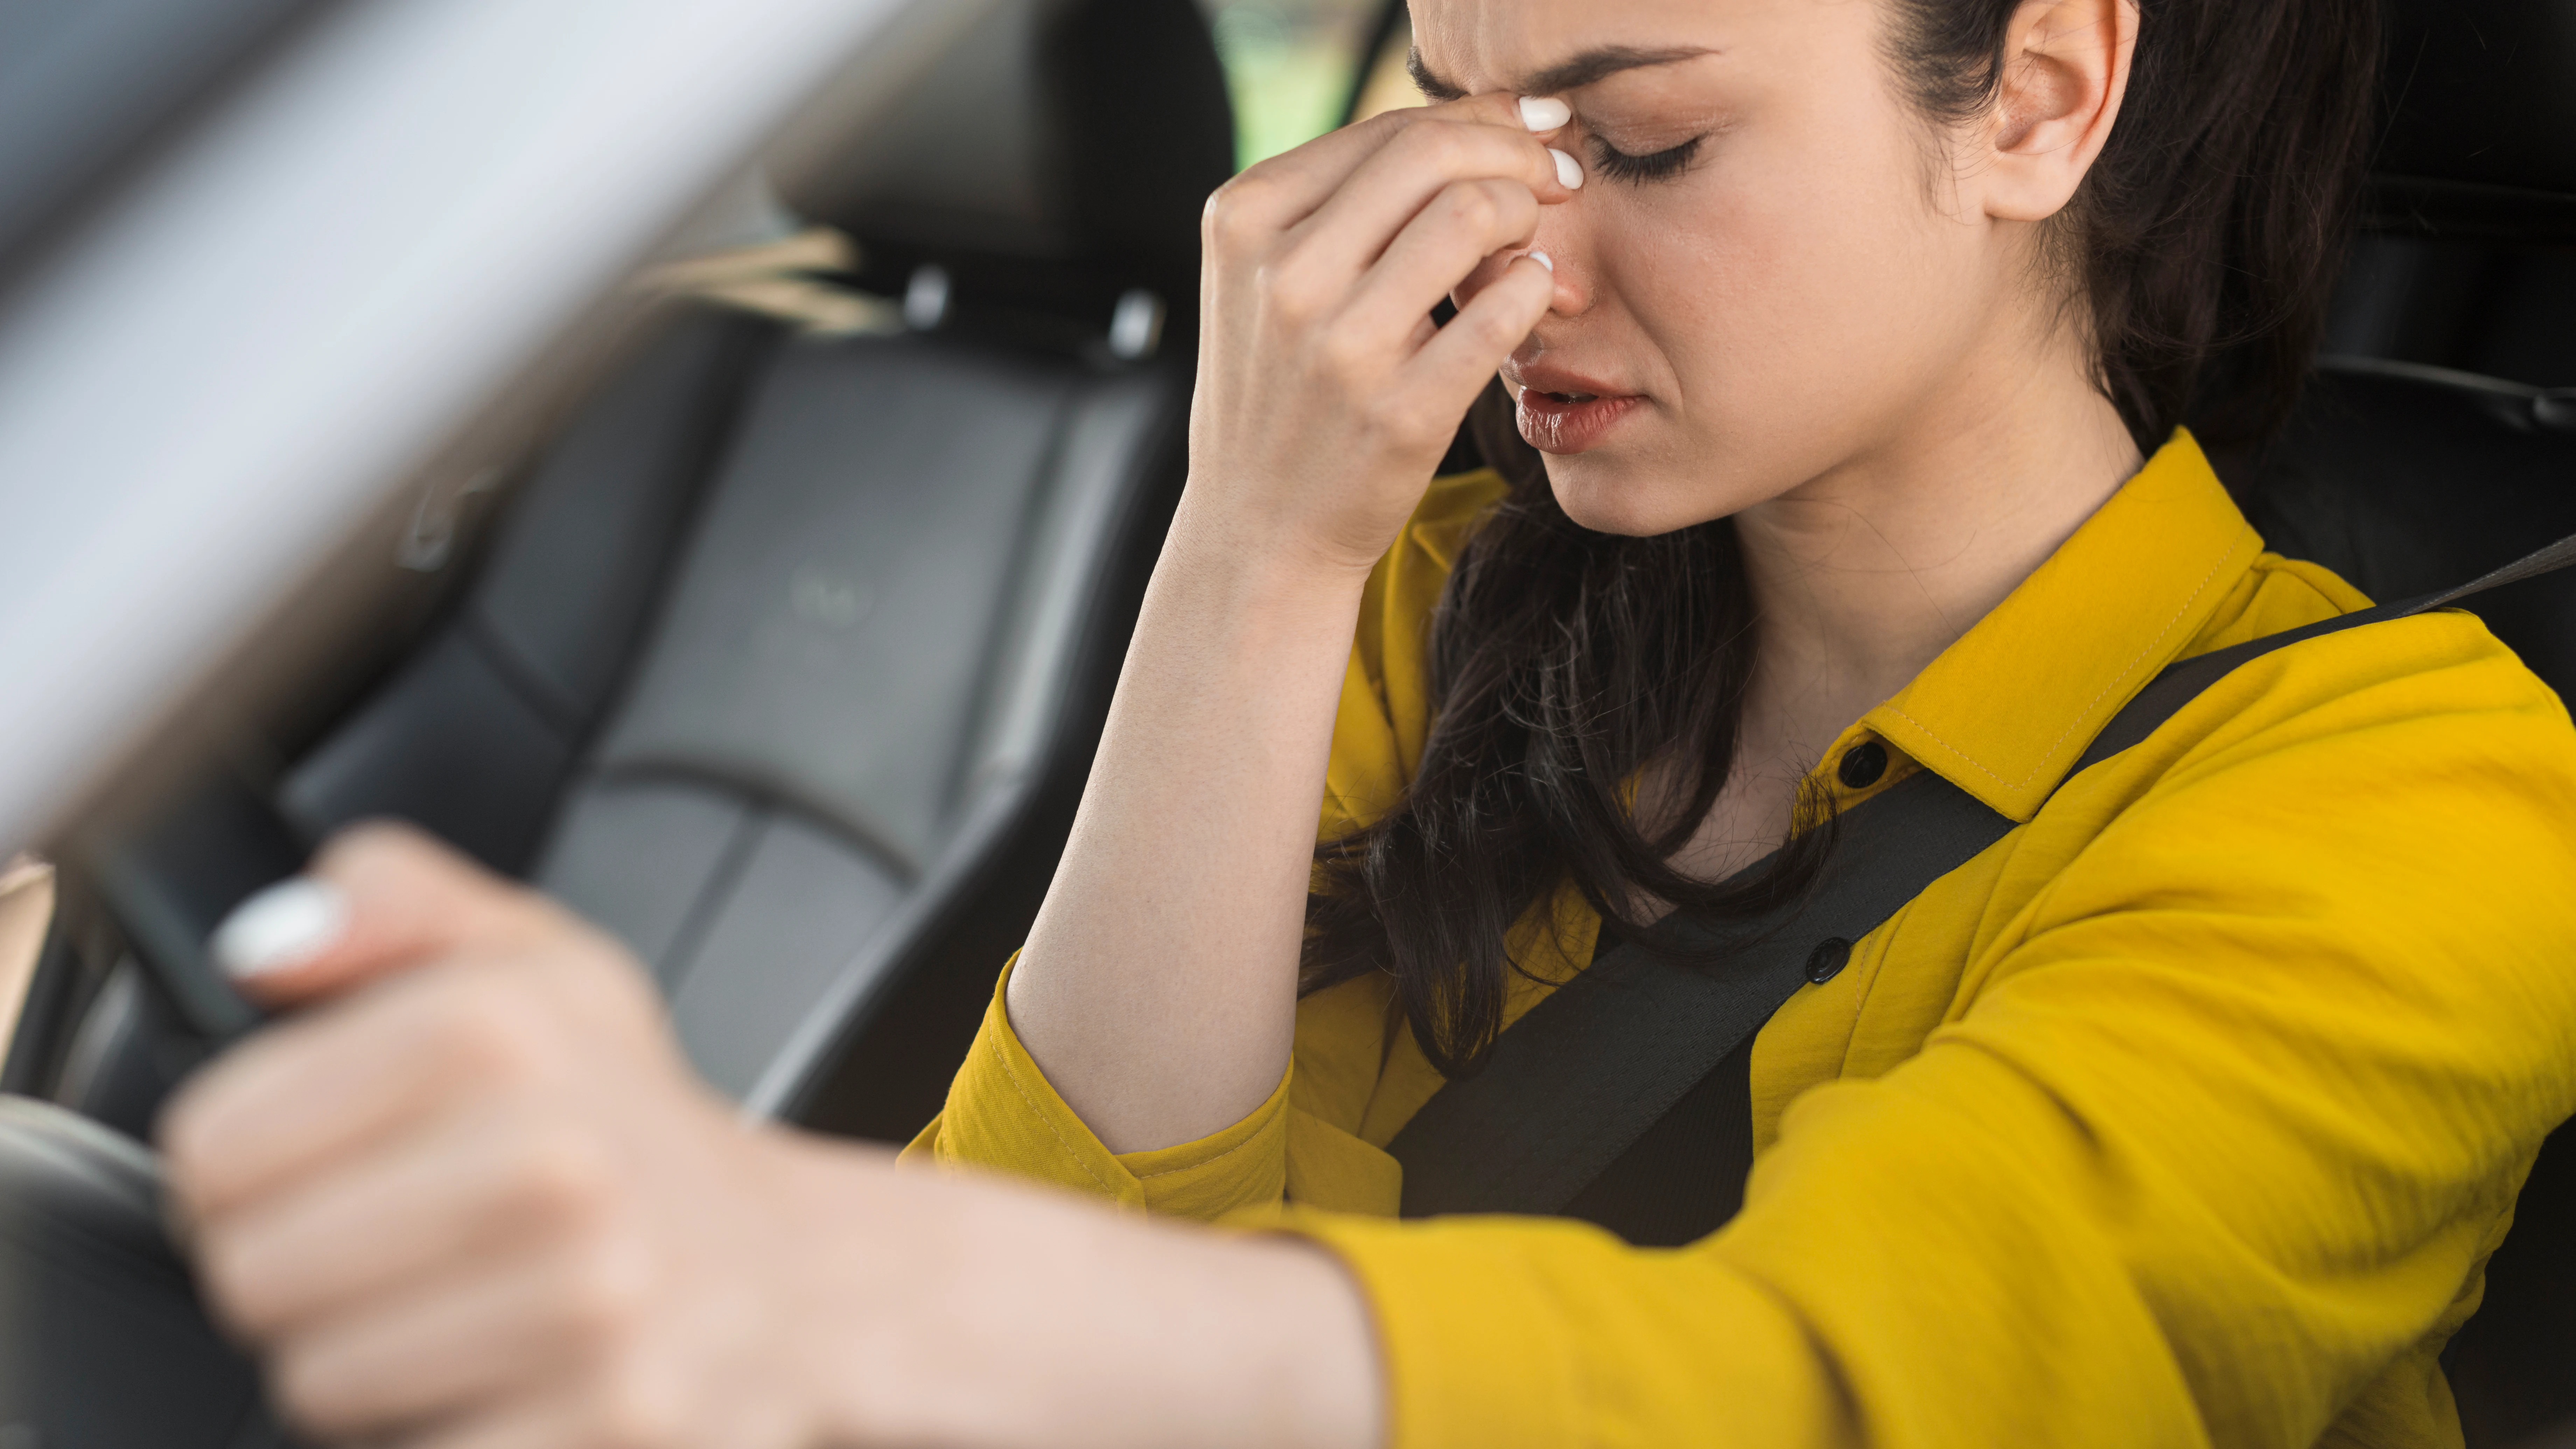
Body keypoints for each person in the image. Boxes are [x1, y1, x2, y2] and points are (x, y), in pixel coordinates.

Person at [158, 0, 2576, 1444]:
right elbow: (1060, 1333)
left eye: (1644, 143)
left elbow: (1837, 1390)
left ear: (2040, 97)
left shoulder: (2428, 800)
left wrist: (792, 1264)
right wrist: (1253, 548)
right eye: (1460, 120)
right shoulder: (1441, 613)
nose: (1518, 250)